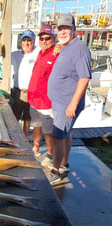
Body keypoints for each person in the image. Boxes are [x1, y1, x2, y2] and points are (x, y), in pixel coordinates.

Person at [47, 14, 92, 185]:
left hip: (66, 104)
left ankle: (55, 170)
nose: (63, 31)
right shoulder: (66, 46)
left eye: (67, 28)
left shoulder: (80, 48)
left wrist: (72, 104)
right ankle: (64, 163)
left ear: (74, 30)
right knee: (66, 134)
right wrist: (59, 46)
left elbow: (84, 78)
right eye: (60, 28)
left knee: (58, 137)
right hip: (60, 102)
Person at [27, 24, 59, 164]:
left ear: (53, 38)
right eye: (42, 38)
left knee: (48, 131)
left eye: (48, 38)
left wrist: (61, 47)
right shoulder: (39, 53)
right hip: (34, 101)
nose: (44, 41)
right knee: (36, 126)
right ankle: (35, 148)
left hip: (47, 103)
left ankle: (51, 154)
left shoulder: (57, 53)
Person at [11, 30, 39, 136]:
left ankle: (25, 140)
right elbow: (1, 59)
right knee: (14, 118)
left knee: (28, 119)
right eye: (24, 40)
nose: (26, 43)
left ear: (33, 41)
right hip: (17, 91)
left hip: (32, 92)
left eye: (29, 40)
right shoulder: (15, 54)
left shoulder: (37, 52)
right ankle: (13, 138)